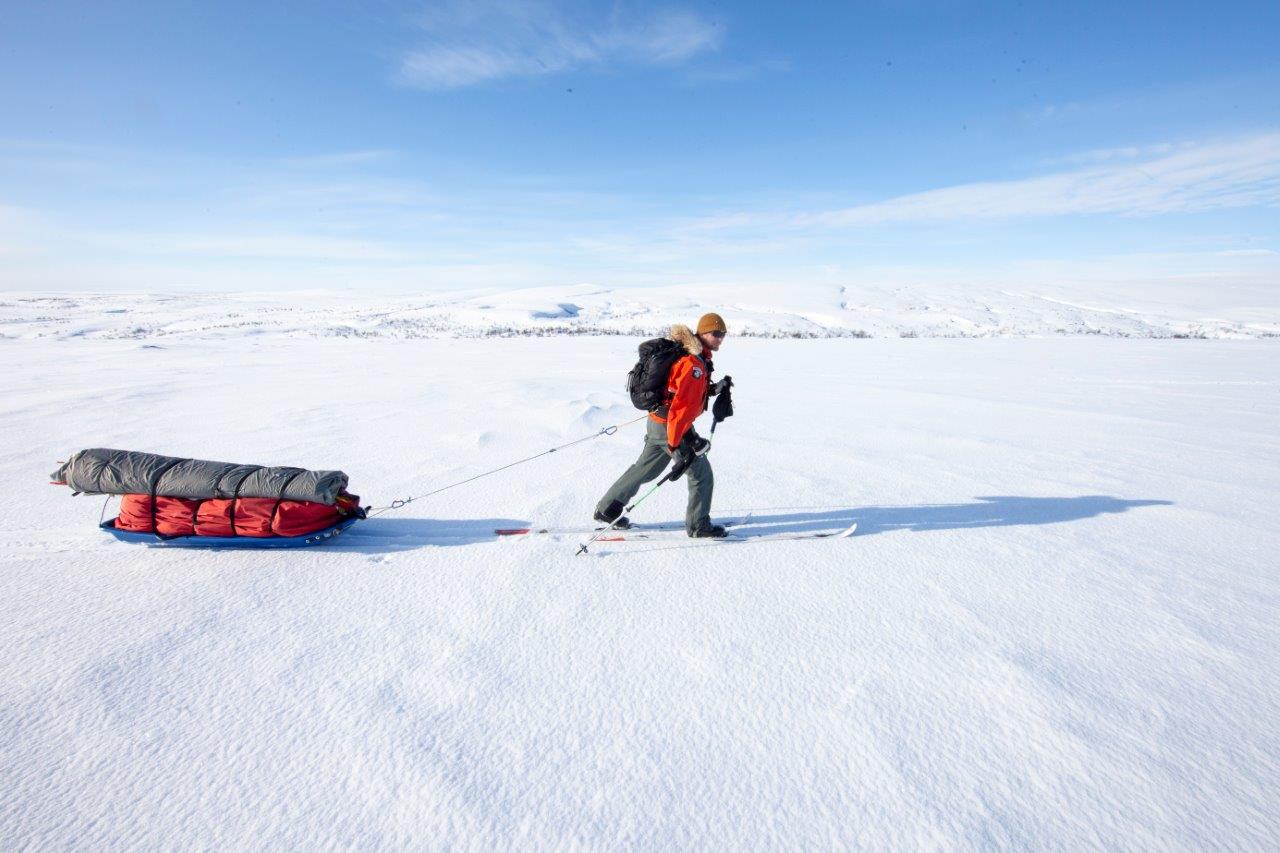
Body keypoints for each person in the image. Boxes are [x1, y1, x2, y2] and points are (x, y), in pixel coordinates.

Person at [594, 313, 732, 537]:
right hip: (672, 426)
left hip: (658, 421)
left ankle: (607, 509)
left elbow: (682, 392)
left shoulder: (693, 357)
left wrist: (715, 389)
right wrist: (679, 444)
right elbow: (681, 409)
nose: (720, 338)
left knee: (646, 468)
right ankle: (698, 526)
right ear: (703, 333)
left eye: (723, 334)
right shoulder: (693, 364)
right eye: (716, 333)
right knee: (701, 475)